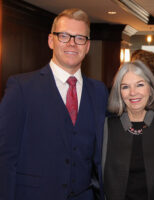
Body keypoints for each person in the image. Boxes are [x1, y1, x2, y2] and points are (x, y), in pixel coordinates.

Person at [0, 8, 108, 200]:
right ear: (51, 41)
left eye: (80, 38)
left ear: (88, 46)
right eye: (64, 36)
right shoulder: (21, 88)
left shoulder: (99, 92)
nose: (72, 43)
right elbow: (5, 157)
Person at [102, 60, 154, 200]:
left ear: (150, 89)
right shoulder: (107, 127)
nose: (133, 93)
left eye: (140, 84)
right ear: (119, 93)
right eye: (125, 87)